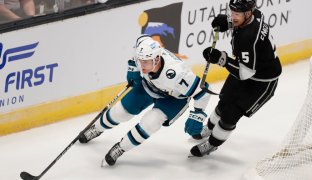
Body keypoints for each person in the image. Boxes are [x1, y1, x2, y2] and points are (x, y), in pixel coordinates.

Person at [78, 34, 213, 166]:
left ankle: (120, 148)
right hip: (149, 86)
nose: (141, 65)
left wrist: (197, 115)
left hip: (173, 99)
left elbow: (203, 92)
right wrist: (133, 67)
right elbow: (140, 42)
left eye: (145, 62)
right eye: (140, 61)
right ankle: (96, 128)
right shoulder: (146, 51)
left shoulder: (177, 74)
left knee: (150, 123)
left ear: (157, 59)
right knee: (120, 112)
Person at [189, 0, 282, 157]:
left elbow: (245, 74)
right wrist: (228, 22)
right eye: (231, 12)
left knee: (231, 114)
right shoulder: (255, 15)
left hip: (262, 82)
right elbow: (250, 21)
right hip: (246, 67)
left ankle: (212, 144)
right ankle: (210, 128)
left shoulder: (248, 37)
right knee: (224, 100)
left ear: (248, 13)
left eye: (236, 14)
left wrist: (221, 58)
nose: (233, 16)